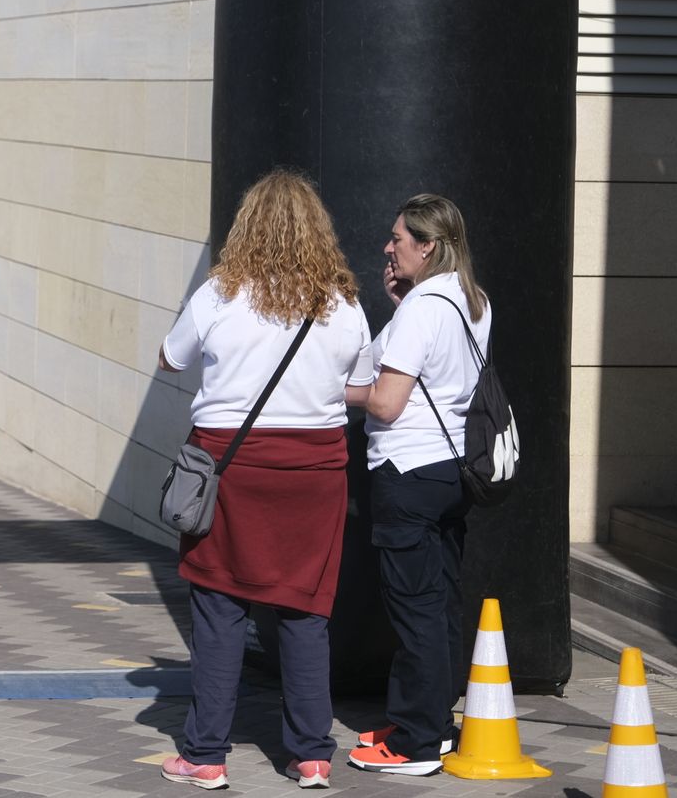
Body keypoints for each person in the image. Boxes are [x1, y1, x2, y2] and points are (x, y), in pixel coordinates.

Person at [157, 169, 373, 791]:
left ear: (245, 226)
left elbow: (172, 358)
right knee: (306, 611)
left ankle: (204, 756)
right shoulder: (344, 304)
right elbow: (356, 385)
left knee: (219, 607)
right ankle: (310, 755)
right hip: (316, 472)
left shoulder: (218, 294)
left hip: (231, 468)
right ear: (318, 231)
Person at [347, 194, 491, 776]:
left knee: (415, 612)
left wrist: (338, 392)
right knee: (439, 605)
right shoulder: (474, 301)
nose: (388, 247)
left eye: (399, 239)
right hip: (452, 471)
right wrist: (398, 307)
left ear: (427, 246)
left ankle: (414, 743)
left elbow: (384, 401)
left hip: (407, 474)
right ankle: (435, 722)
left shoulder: (423, 309)